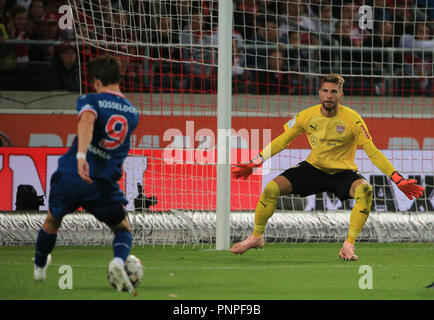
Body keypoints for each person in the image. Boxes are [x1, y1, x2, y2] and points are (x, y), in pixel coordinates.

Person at [230, 73, 425, 260]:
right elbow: (283, 140)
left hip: (343, 173)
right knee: (271, 188)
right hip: (313, 169)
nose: (328, 96)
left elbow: (372, 151)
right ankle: (257, 236)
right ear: (319, 93)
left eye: (333, 92)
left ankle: (349, 245)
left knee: (365, 190)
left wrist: (397, 179)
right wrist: (255, 162)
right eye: (325, 91)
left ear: (341, 95)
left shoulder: (353, 119)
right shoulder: (306, 116)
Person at [33, 55, 140, 292]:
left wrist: (82, 156)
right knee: (122, 228)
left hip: (72, 174)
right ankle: (117, 262)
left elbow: (87, 121)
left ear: (95, 81)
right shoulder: (132, 113)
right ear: (118, 78)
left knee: (52, 221)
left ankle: (39, 268)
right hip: (101, 182)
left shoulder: (90, 100)